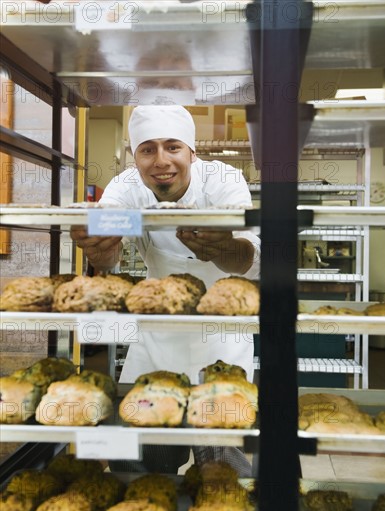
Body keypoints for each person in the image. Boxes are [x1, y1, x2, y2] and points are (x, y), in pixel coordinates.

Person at [71, 105, 261, 475]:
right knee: (140, 464)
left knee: (222, 468)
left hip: (220, 340)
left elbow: (248, 255)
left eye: (173, 147)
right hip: (155, 344)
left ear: (192, 152)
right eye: (148, 149)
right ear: (134, 156)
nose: (161, 161)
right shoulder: (125, 186)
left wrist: (223, 248)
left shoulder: (224, 179)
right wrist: (99, 244)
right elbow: (108, 250)